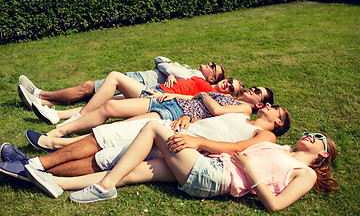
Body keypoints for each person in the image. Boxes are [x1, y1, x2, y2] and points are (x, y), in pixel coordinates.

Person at [26, 128, 338, 212]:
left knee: (153, 128)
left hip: (214, 176)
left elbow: (275, 205)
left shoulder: (306, 174)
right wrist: (205, 145)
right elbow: (236, 149)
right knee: (133, 170)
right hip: (209, 168)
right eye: (312, 132)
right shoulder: (283, 150)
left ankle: (104, 188)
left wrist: (248, 168)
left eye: (319, 138)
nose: (312, 135)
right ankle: (53, 182)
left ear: (323, 154)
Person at [0, 103, 289, 180]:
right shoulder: (244, 116)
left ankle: (32, 171)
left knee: (104, 158)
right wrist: (189, 120)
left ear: (278, 122)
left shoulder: (266, 135)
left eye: (278, 110)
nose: (273, 107)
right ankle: (33, 164)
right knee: (101, 135)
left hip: (173, 144)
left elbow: (237, 149)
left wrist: (196, 139)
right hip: (171, 127)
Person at [25, 86, 273, 152]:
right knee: (111, 105)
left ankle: (58, 141)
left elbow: (214, 111)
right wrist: (169, 94)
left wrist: (201, 96)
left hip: (176, 114)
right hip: (174, 103)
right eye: (253, 88)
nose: (252, 90)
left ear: (260, 104)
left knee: (120, 129)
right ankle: (60, 130)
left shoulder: (245, 111)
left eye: (258, 93)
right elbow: (199, 101)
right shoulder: (233, 101)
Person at [29, 70, 243, 126]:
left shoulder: (211, 95)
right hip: (156, 89)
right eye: (230, 80)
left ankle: (78, 117)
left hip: (157, 97)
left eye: (231, 88)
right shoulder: (201, 80)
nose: (228, 84)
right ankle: (56, 114)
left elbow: (190, 99)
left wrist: (165, 93)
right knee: (106, 101)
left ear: (229, 96)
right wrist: (171, 75)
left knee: (114, 78)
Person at [18, 56, 226, 109]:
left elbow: (167, 67)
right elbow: (160, 61)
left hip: (141, 82)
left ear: (211, 79)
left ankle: (40, 94)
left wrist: (171, 70)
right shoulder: (188, 70)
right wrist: (170, 70)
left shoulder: (194, 79)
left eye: (213, 66)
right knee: (92, 95)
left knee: (89, 87)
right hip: (140, 78)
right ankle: (43, 104)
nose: (209, 63)